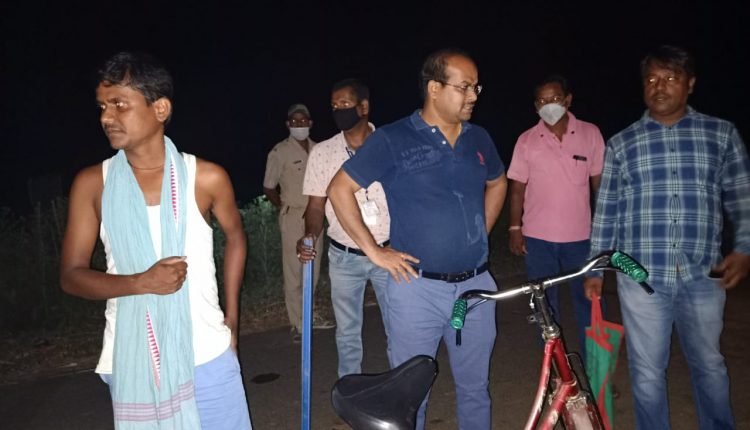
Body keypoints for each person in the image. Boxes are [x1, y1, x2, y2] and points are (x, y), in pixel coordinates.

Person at [60, 52, 252, 429]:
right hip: (130, 357)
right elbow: (71, 276)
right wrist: (140, 282)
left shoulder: (205, 178)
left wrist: (232, 319)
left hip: (205, 352)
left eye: (119, 104)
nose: (106, 117)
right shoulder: (93, 184)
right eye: (102, 106)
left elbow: (236, 238)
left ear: (160, 108)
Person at [327, 49, 507, 430]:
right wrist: (374, 252)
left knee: (475, 389)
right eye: (464, 87)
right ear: (434, 88)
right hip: (416, 289)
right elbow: (339, 189)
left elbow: (497, 181)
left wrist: (480, 231)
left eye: (476, 87)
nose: (473, 95)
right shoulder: (393, 138)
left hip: (475, 289)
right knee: (409, 398)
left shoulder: (479, 138)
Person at [584, 45, 750, 430]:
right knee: (646, 372)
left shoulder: (720, 134)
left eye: (670, 78)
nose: (659, 87)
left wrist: (744, 247)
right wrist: (595, 268)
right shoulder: (622, 143)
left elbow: (742, 195)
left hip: (703, 274)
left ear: (690, 84)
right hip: (641, 276)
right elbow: (607, 209)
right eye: (651, 79)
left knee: (709, 364)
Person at [297, 78, 391, 377]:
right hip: (344, 256)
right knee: (347, 332)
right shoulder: (323, 153)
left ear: (364, 107)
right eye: (334, 106)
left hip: (389, 253)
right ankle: (350, 388)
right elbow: (315, 206)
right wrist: (309, 235)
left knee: (399, 326)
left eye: (345, 104)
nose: (339, 110)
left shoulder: (389, 145)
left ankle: (402, 385)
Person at [507, 75, 605, 357]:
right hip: (538, 240)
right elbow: (517, 188)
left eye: (555, 98)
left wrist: (604, 229)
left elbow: (600, 186)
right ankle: (554, 368)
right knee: (545, 308)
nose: (548, 105)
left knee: (589, 303)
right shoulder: (526, 140)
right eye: (542, 100)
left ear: (568, 99)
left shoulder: (590, 133)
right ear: (535, 106)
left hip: (581, 239)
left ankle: (594, 369)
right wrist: (514, 228)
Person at [263, 103, 331, 343]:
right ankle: (297, 324)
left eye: (303, 121)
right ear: (288, 124)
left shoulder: (319, 149)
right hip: (293, 215)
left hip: (316, 215)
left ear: (310, 123)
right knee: (293, 271)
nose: (299, 125)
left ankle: (308, 316)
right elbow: (269, 187)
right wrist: (283, 207)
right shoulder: (279, 151)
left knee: (313, 268)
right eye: (294, 121)